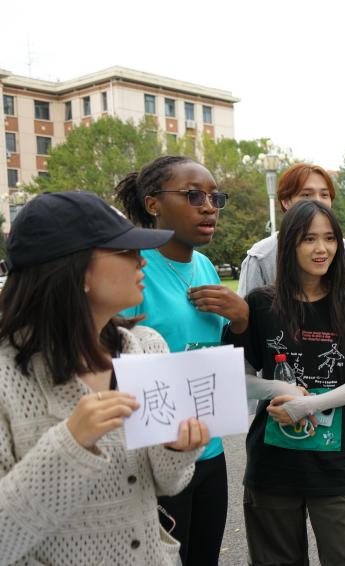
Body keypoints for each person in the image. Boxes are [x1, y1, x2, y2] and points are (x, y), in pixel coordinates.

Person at [0, 191, 209, 565]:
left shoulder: (146, 347)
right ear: (77, 269)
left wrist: (176, 450)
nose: (142, 260)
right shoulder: (6, 378)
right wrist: (71, 442)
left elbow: (169, 484)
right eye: (126, 250)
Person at [225, 200, 345, 565]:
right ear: (289, 245)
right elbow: (238, 377)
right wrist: (279, 390)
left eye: (330, 238)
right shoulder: (261, 304)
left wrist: (307, 405)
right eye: (309, 239)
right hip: (272, 466)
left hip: (337, 467)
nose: (322, 249)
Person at [115, 156, 249, 566]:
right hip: (154, 459)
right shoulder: (133, 269)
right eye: (193, 196)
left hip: (209, 450)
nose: (209, 207)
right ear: (153, 204)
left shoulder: (205, 266)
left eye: (215, 198)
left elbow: (219, 353)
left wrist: (241, 319)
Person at [237, 162, 345, 297]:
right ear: (286, 202)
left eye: (324, 195)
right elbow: (246, 308)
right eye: (306, 195)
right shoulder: (261, 257)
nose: (318, 201)